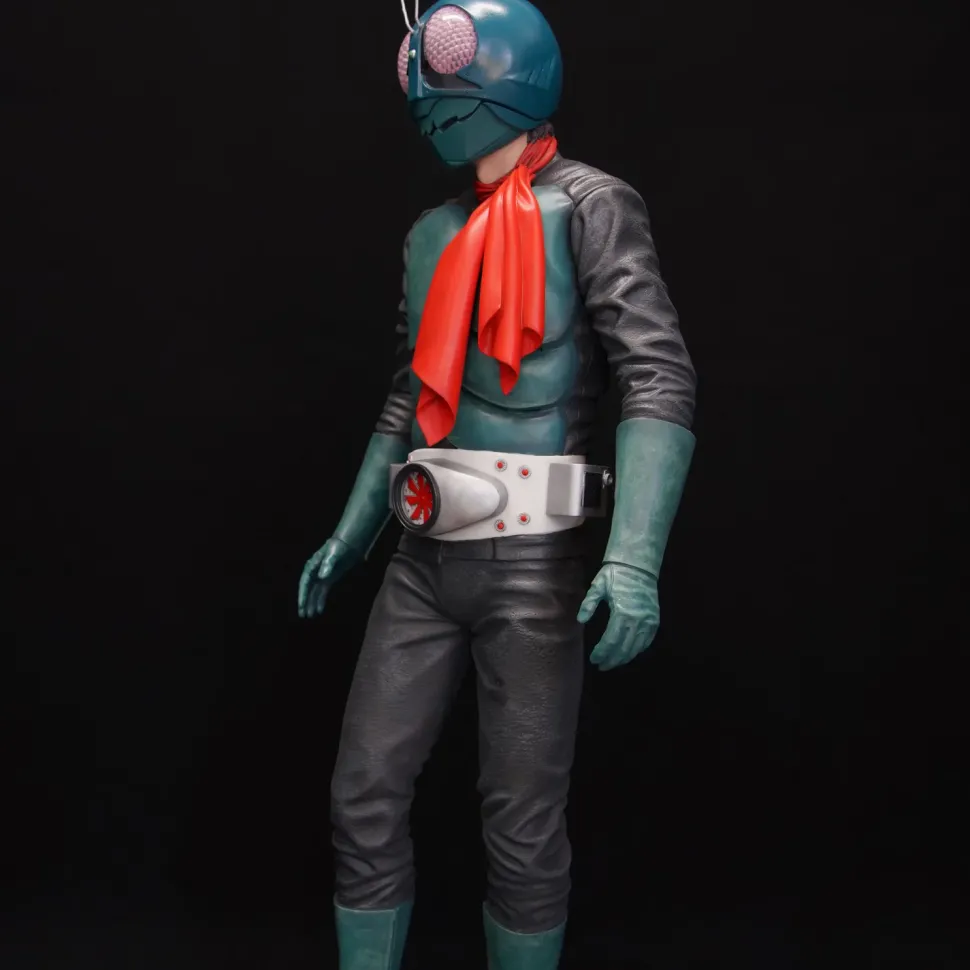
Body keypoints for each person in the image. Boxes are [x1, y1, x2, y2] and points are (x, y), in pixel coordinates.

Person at [297, 2, 697, 967]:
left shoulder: (592, 206)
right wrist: (351, 534)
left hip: (538, 563)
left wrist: (634, 559)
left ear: (510, 68)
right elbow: (407, 398)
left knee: (521, 821)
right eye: (417, 63)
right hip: (422, 556)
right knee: (363, 794)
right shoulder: (430, 235)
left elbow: (656, 372)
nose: (424, 88)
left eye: (441, 58)